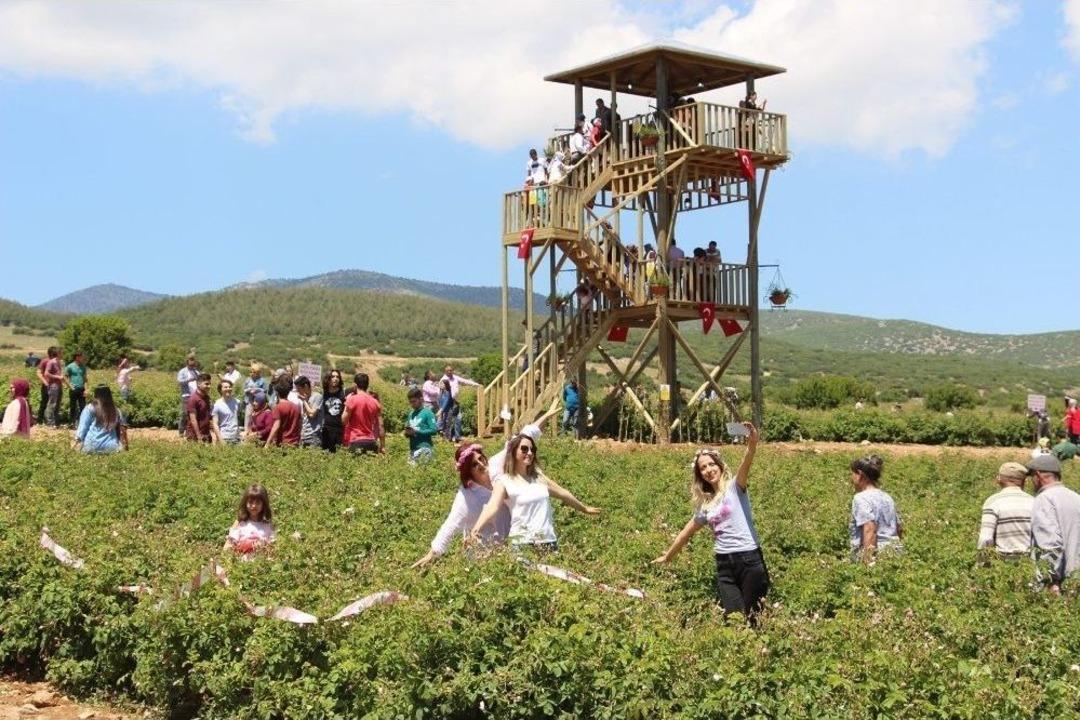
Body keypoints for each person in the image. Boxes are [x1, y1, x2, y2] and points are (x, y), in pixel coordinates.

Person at [651, 424, 770, 622]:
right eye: (702, 468)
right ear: (700, 475)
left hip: (749, 560)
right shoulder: (705, 505)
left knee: (753, 620)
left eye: (711, 464)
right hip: (725, 564)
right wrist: (668, 556)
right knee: (733, 620)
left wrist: (752, 442)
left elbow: (746, 461)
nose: (708, 470)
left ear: (720, 465)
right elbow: (685, 533)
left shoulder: (735, 487)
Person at [470, 433, 600, 551]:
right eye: (524, 449)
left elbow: (563, 493)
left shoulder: (539, 477)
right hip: (522, 544)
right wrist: (475, 530)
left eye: (533, 449)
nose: (530, 452)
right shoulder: (504, 481)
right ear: (514, 451)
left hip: (549, 542)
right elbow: (492, 507)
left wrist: (584, 509)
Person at [411, 443, 512, 568]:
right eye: (474, 464)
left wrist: (539, 423)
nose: (481, 464)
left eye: (481, 458)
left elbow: (517, 444)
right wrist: (432, 553)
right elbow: (451, 525)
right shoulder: (466, 497)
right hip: (485, 553)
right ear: (468, 471)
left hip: (510, 541)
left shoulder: (495, 468)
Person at [1028, 454, 1080, 594]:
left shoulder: (1044, 499)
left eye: (1032, 476)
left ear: (1038, 476)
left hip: (1061, 583)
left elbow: (1049, 544)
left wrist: (1051, 580)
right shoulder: (1075, 497)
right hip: (1075, 578)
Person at [848, 455, 903, 562]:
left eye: (853, 473)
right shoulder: (887, 497)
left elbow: (870, 529)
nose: (852, 477)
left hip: (878, 555)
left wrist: (868, 561)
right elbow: (899, 528)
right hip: (896, 552)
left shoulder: (861, 498)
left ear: (859, 474)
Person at [976, 462, 1033, 557]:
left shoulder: (993, 502)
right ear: (1024, 481)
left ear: (999, 479)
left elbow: (985, 538)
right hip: (1029, 562)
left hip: (1002, 564)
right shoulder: (1034, 502)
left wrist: (983, 564)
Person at [223, 484, 277, 558]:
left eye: (258, 502)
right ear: (245, 503)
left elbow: (273, 550)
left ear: (263, 505)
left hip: (260, 564)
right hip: (239, 564)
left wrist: (263, 547)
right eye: (250, 502)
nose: (254, 506)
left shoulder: (268, 525)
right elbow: (227, 548)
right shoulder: (240, 522)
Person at [72, 385, 127, 453]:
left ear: (96, 395)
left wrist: (74, 446)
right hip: (111, 448)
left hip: (91, 447)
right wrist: (125, 448)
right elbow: (122, 431)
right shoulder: (116, 410)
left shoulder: (89, 408)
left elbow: (82, 430)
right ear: (109, 395)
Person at [342, 372, 383, 454]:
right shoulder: (375, 402)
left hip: (355, 441)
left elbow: (343, 420)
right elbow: (381, 426)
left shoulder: (352, 399)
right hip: (371, 442)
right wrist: (383, 446)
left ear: (355, 385)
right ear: (367, 385)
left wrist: (346, 403)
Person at [264, 376, 301, 448]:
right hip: (294, 443)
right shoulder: (296, 407)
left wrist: (267, 443)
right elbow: (299, 425)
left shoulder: (278, 407)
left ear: (277, 393)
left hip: (283, 444)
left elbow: (276, 425)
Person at [404, 387, 438, 464]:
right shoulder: (411, 414)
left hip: (424, 448)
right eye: (410, 402)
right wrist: (407, 433)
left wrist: (417, 431)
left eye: (414, 401)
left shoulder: (428, 413)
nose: (412, 404)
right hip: (413, 449)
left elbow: (434, 430)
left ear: (421, 399)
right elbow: (409, 430)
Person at [289, 376, 323, 449]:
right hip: (304, 435)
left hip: (313, 436)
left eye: (299, 389)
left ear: (306, 386)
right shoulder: (305, 398)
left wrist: (304, 401)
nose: (298, 392)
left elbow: (312, 414)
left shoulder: (317, 396)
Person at [320, 369, 346, 452]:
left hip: (339, 430)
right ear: (328, 379)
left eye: (337, 377)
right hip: (326, 430)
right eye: (333, 376)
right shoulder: (323, 393)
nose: (335, 378)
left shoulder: (344, 393)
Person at [185, 373, 214, 443]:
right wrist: (199, 436)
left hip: (206, 433)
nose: (209, 386)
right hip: (194, 435)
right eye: (206, 384)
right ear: (198, 384)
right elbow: (193, 420)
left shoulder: (206, 397)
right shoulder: (193, 399)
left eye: (210, 384)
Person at [211, 379, 241, 445]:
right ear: (220, 390)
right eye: (225, 387)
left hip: (236, 437)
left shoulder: (237, 402)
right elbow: (215, 423)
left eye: (230, 387)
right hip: (224, 437)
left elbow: (236, 417)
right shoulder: (217, 405)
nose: (228, 389)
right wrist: (220, 439)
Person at [176, 354, 200, 436]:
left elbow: (200, 381)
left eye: (193, 360)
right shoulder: (182, 371)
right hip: (186, 395)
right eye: (191, 360)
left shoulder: (196, 372)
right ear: (187, 361)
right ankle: (181, 431)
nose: (193, 362)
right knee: (184, 413)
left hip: (196, 395)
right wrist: (190, 380)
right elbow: (179, 381)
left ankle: (190, 431)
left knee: (194, 414)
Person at [41, 346, 64, 428]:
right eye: (61, 353)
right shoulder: (52, 362)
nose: (63, 354)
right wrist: (58, 377)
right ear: (58, 353)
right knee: (52, 404)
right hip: (53, 386)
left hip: (59, 385)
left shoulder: (58, 362)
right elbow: (46, 374)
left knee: (57, 404)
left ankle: (55, 422)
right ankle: (49, 422)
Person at [64, 351, 88, 426]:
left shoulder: (83, 367)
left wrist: (86, 389)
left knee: (83, 407)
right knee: (73, 406)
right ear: (77, 357)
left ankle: (82, 422)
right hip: (74, 389)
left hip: (82, 389)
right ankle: (71, 422)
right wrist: (70, 386)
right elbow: (65, 377)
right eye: (81, 356)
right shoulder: (70, 366)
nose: (82, 358)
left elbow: (85, 379)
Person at [242, 364, 267, 432]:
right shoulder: (247, 380)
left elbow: (265, 390)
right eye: (251, 372)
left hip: (259, 402)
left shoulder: (262, 380)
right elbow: (244, 390)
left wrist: (257, 390)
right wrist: (249, 390)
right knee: (248, 416)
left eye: (254, 372)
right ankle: (246, 432)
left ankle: (256, 432)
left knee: (257, 416)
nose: (252, 373)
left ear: (258, 373)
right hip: (249, 400)